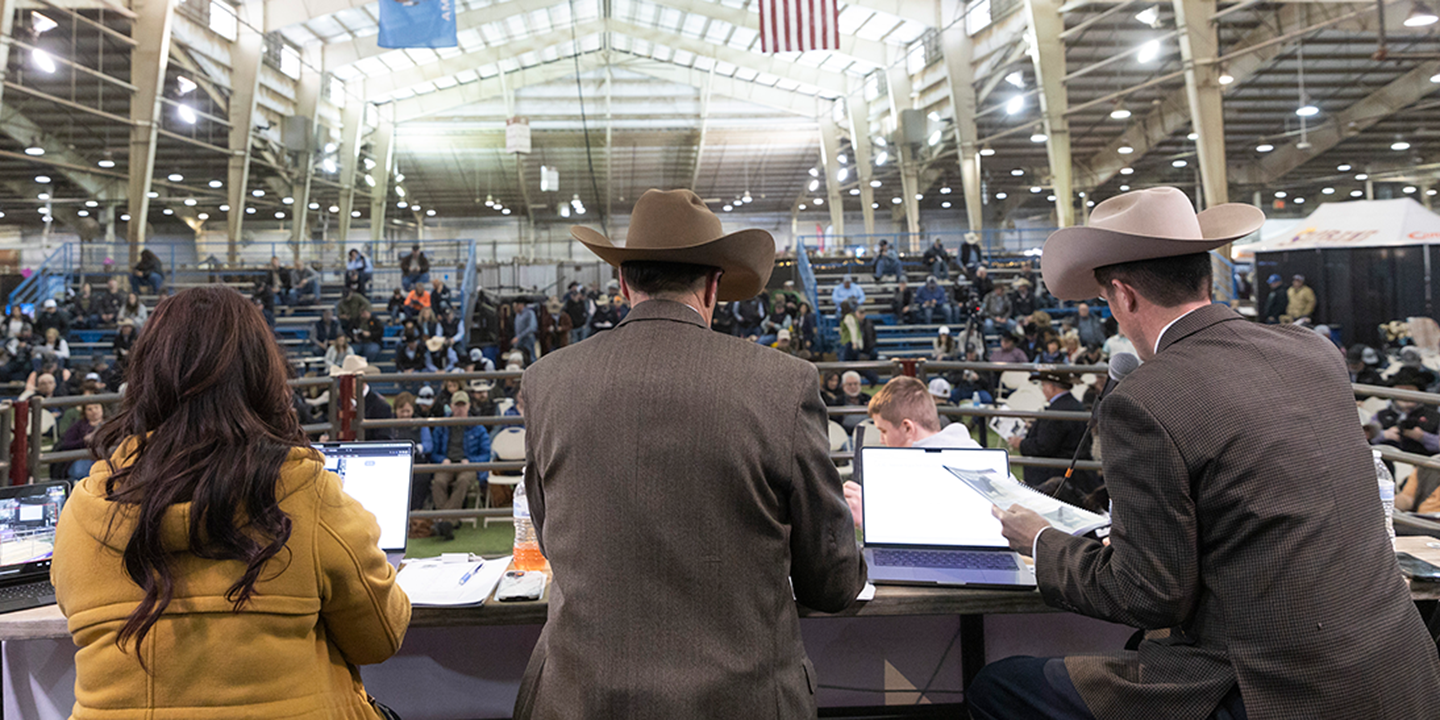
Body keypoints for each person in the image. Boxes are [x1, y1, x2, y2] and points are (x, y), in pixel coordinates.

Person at [979, 186, 1440, 720]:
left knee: (1000, 686)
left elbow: (1148, 594)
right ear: (1203, 273)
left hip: (1274, 687)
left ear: (1124, 296)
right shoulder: (1314, 351)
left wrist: (1042, 543)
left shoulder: (1144, 400)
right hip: (1397, 666)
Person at [514, 189, 865, 719]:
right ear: (714, 285)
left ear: (623, 282)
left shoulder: (546, 382)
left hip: (581, 700)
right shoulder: (785, 384)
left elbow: (552, 537)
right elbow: (833, 582)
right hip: (741, 703)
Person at [51, 286, 409, 719]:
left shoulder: (84, 510)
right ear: (263, 375)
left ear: (145, 376)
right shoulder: (307, 491)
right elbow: (378, 639)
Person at [840, 376, 981, 526]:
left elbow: (923, 542)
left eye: (884, 431)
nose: (882, 440)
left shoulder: (926, 474)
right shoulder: (973, 453)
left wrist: (867, 517)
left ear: (907, 428)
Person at [1006, 370, 1088, 491]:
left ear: (1051, 387)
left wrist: (1020, 443)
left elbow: (1044, 446)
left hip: (1056, 473)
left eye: (1043, 385)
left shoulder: (1057, 411)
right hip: (1074, 470)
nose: (1042, 389)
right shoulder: (1073, 405)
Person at [420, 392, 492, 518]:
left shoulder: (478, 428)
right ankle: (449, 520)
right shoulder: (441, 426)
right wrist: (442, 460)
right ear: (451, 407)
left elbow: (486, 454)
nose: (460, 409)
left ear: (469, 406)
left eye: (463, 405)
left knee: (463, 481)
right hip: (447, 465)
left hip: (467, 467)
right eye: (457, 406)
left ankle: (444, 520)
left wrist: (470, 461)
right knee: (438, 482)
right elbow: (433, 453)